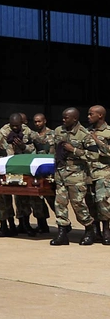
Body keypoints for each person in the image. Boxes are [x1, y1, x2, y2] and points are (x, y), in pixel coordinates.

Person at [50, 108, 98, 246]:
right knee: (60, 204)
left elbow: (94, 155)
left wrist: (74, 150)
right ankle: (62, 233)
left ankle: (89, 228)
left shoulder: (84, 134)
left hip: (76, 175)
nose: (63, 120)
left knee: (78, 204)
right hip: (60, 173)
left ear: (75, 119)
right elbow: (53, 151)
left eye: (66, 118)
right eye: (63, 117)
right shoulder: (58, 131)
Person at [87, 105, 110, 245]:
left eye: (91, 114)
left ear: (100, 115)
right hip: (88, 172)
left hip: (103, 172)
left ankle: (106, 230)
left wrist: (96, 140)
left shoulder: (108, 132)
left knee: (102, 202)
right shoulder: (86, 131)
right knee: (90, 202)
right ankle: (95, 231)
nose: (88, 117)